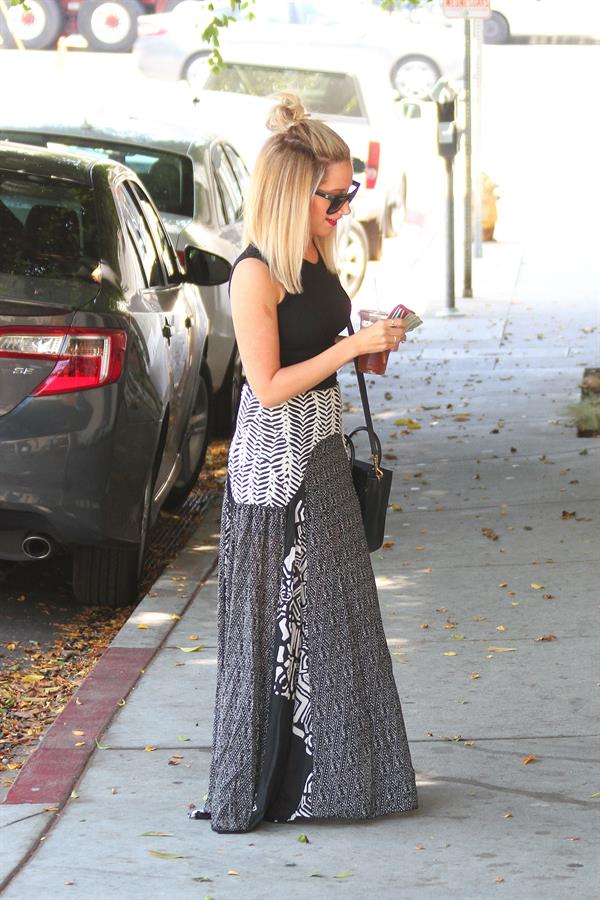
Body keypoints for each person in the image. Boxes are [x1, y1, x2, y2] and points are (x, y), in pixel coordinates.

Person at [189, 92, 417, 834]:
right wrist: (350, 347)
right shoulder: (254, 272)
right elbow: (267, 384)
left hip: (323, 444)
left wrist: (372, 348)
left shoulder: (317, 254)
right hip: (273, 468)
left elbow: (321, 357)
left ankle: (343, 783)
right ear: (295, 192)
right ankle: (264, 788)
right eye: (335, 195)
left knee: (337, 614)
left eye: (351, 193)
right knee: (275, 630)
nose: (346, 206)